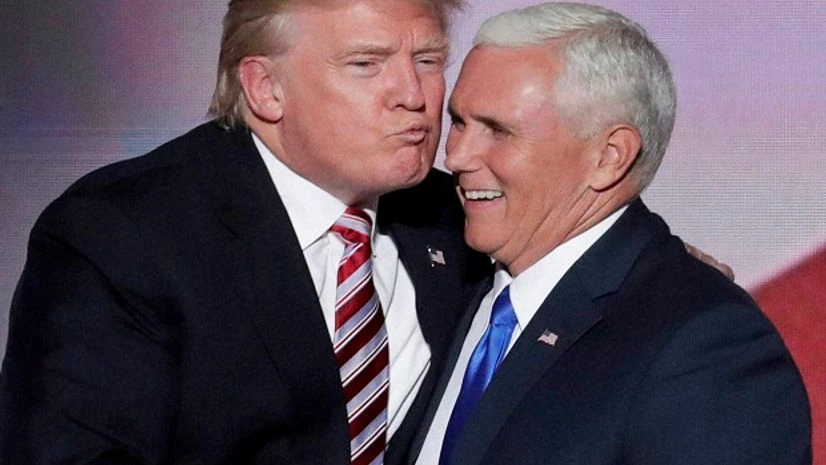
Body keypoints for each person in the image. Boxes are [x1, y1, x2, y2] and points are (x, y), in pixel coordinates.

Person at [0, 1, 491, 464]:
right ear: (265, 88)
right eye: (366, 64)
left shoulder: (465, 216)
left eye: (427, 60)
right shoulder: (119, 236)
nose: (414, 95)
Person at [411, 3, 811, 465]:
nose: (456, 156)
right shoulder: (437, 270)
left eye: (498, 131)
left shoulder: (705, 345)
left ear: (610, 157)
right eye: (459, 121)